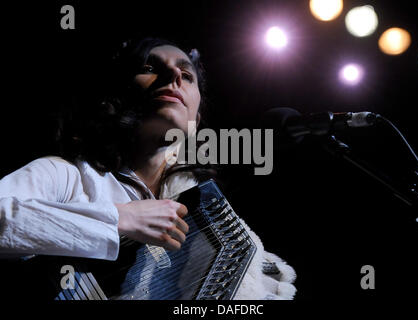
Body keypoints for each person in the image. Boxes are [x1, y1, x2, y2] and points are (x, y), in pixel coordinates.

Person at [0, 37, 296, 300]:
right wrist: (119, 218)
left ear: (197, 116)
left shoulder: (209, 218)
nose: (173, 76)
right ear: (113, 97)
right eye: (150, 68)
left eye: (187, 74)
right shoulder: (66, 175)